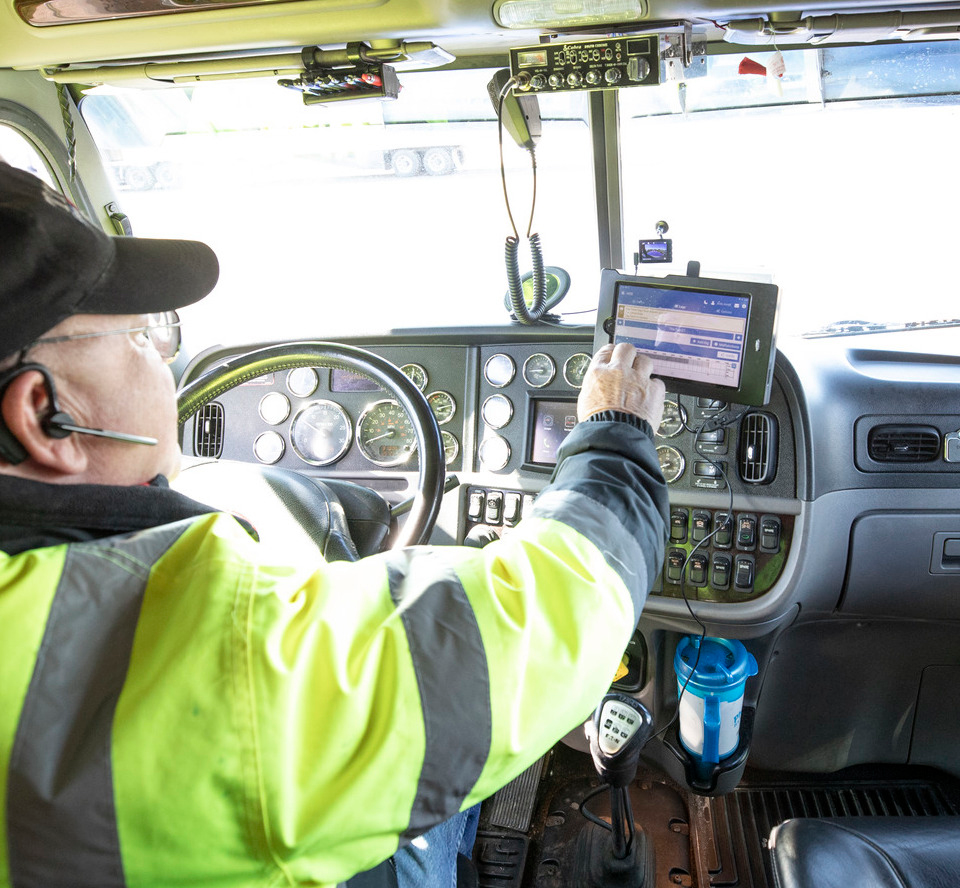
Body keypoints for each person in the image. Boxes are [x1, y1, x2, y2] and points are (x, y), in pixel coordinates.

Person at [0, 160, 669, 888]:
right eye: (136, 338)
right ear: (44, 415)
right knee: (446, 775)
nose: (163, 355)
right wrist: (614, 434)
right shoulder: (222, 664)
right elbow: (551, 620)